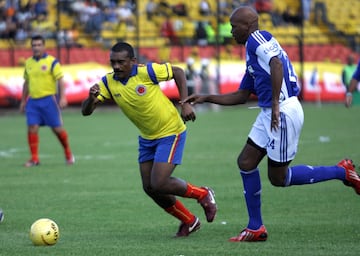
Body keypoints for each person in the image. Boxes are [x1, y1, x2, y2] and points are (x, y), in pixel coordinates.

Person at [184, 6, 360, 242]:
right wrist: (206, 97)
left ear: (248, 26)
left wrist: (276, 106)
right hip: (270, 112)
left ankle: (343, 172)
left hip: (283, 112)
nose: (231, 31)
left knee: (279, 178)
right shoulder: (252, 51)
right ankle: (255, 227)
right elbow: (242, 95)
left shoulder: (258, 39)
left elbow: (276, 64)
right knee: (245, 162)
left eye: (234, 26)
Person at [81, 42, 217, 237]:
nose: (116, 66)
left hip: (170, 131)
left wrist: (185, 104)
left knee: (159, 182)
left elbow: (178, 71)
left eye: (121, 62)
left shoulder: (147, 72)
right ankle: (189, 221)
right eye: (113, 62)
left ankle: (203, 194)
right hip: (147, 138)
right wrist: (90, 98)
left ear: (133, 61)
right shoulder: (108, 82)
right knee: (150, 187)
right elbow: (86, 112)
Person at [19, 35, 75, 167]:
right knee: (32, 128)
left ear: (44, 46)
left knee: (57, 129)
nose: (36, 47)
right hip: (33, 101)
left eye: (39, 45)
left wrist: (63, 97)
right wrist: (23, 101)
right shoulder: (28, 63)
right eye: (34, 45)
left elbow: (60, 79)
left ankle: (68, 153)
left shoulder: (52, 62)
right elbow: (26, 82)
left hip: (49, 100)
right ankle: (34, 159)